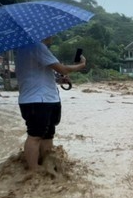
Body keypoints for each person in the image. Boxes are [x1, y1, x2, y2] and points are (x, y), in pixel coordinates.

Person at [14, 37, 86, 172]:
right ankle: (34, 170)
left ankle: (45, 164)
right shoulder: (37, 46)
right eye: (51, 33)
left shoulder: (24, 49)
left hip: (43, 99)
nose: (52, 36)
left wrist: (58, 78)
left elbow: (39, 73)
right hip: (39, 100)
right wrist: (81, 65)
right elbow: (63, 69)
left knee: (47, 134)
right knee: (35, 135)